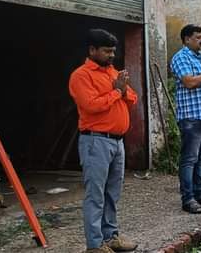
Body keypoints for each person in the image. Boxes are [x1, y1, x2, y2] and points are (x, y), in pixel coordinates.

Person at [69, 29, 138, 253]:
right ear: (92, 50)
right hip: (95, 142)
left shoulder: (112, 72)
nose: (111, 55)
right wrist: (117, 92)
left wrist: (122, 90)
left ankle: (111, 236)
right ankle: (95, 245)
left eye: (113, 51)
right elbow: (91, 105)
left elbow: (133, 98)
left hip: (117, 142)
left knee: (112, 193)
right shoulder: (81, 75)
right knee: (95, 195)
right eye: (107, 51)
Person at [171, 24, 201, 214]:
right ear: (186, 39)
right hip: (191, 118)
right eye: (198, 37)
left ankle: (200, 194)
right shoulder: (180, 57)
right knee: (189, 159)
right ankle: (188, 199)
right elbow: (189, 82)